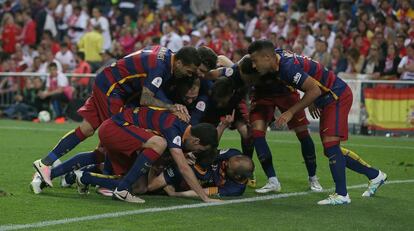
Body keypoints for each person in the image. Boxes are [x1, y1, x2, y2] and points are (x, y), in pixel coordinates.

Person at [32, 46, 201, 187]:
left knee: (87, 130)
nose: (189, 75)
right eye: (189, 70)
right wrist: (171, 107)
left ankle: (47, 166)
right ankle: (90, 180)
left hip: (107, 82)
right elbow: (146, 98)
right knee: (113, 139)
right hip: (114, 89)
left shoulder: (164, 53)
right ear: (179, 62)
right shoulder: (161, 67)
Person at [248, 40, 387, 205]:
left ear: (267, 57)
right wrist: (312, 99)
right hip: (326, 97)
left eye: (255, 61)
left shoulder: (287, 67)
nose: (254, 66)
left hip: (336, 96)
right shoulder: (277, 57)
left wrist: (291, 111)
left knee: (331, 146)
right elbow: (309, 80)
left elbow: (314, 89)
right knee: (331, 150)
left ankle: (342, 195)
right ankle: (375, 175)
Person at [75, 107, 220, 203]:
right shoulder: (175, 129)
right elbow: (183, 168)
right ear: (196, 140)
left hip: (127, 135)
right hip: (118, 130)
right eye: (199, 149)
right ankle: (120, 189)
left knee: (140, 188)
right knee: (159, 144)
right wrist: (204, 197)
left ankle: (84, 177)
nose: (196, 152)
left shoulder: (183, 129)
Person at [148, 148, 254, 197]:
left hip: (198, 180)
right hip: (198, 166)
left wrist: (175, 194)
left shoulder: (234, 189)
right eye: (226, 161)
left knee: (151, 188)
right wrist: (186, 157)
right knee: (149, 187)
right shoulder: (233, 155)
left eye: (228, 166)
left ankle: (155, 168)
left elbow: (204, 192)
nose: (225, 163)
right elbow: (209, 154)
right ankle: (157, 162)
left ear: (237, 175)